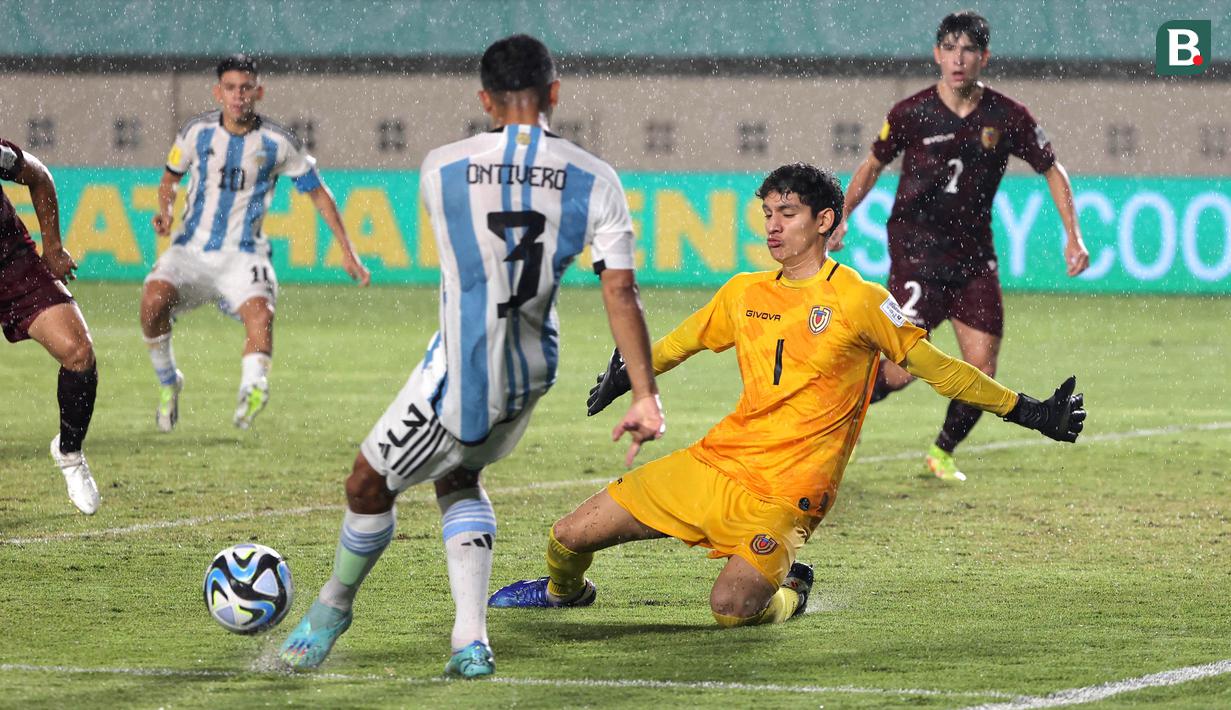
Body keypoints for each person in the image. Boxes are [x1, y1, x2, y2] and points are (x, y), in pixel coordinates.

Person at [489, 163, 1085, 629]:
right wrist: (631, 373)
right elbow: (685, 339)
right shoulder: (746, 291)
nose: (773, 225)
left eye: (788, 213)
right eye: (768, 213)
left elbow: (940, 369)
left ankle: (790, 592)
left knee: (730, 609)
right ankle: (566, 595)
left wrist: (1026, 409)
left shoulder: (858, 300)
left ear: (825, 221)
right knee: (566, 537)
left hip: (790, 489)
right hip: (719, 461)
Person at [279, 35, 665, 678]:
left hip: (468, 364)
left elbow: (476, 259)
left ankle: (331, 608)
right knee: (460, 476)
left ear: (484, 99)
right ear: (555, 95)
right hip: (536, 362)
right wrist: (647, 395)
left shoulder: (441, 167)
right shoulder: (597, 178)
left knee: (366, 483)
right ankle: (470, 639)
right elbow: (620, 290)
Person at [829, 11, 1090, 481]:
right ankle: (831, 428)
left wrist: (1074, 235)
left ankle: (942, 452)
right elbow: (871, 166)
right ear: (936, 53)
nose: (958, 58)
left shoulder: (1007, 117)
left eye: (968, 49)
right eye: (949, 48)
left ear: (984, 57)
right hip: (916, 257)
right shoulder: (911, 113)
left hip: (973, 261)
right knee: (898, 371)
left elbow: (1052, 168)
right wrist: (843, 215)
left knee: (982, 367)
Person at [142, 53, 370, 432]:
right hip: (191, 250)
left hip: (245, 255)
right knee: (151, 302)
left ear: (258, 92)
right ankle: (169, 382)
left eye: (246, 88)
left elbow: (318, 194)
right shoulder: (196, 132)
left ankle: (252, 390)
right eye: (231, 88)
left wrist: (348, 251)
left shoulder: (279, 142)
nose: (238, 96)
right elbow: (170, 178)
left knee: (261, 316)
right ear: (218, 92)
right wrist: (164, 210)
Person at [1, 138, 100, 514]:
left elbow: (38, 176)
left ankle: (70, 453)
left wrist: (53, 246)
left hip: (11, 264)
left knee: (78, 353)